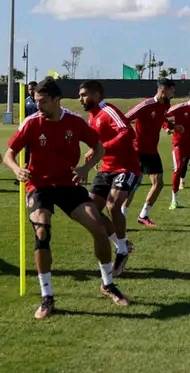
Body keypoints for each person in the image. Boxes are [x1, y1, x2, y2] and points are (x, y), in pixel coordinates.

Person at [4, 77, 128, 318]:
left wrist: (85, 168)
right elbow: (9, 154)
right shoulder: (31, 123)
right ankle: (47, 296)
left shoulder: (75, 121)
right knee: (42, 232)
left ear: (56, 100)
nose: (38, 106)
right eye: (36, 101)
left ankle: (107, 284)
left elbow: (99, 147)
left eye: (43, 101)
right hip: (39, 185)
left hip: (68, 184)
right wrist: (16, 169)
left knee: (99, 228)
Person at [79, 80, 139, 276]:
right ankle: (123, 245)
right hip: (106, 169)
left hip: (126, 168)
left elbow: (128, 132)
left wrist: (103, 149)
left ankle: (121, 252)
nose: (80, 99)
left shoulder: (108, 110)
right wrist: (93, 152)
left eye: (84, 95)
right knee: (91, 209)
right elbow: (98, 141)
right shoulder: (92, 116)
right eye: (80, 95)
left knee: (113, 205)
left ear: (96, 95)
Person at [124, 78, 175, 227]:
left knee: (158, 184)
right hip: (138, 151)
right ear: (163, 91)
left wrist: (170, 126)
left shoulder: (166, 104)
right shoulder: (146, 105)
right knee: (134, 184)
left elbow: (161, 118)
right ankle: (121, 216)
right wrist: (128, 136)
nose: (173, 94)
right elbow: (124, 118)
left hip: (152, 151)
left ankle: (143, 215)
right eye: (172, 91)